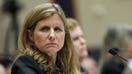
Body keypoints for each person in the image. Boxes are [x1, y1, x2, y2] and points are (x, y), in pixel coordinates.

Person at [11, 3, 82, 74]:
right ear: (31, 35)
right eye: (45, 29)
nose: (52, 35)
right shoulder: (24, 63)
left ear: (65, 34)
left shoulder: (67, 66)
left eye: (57, 29)